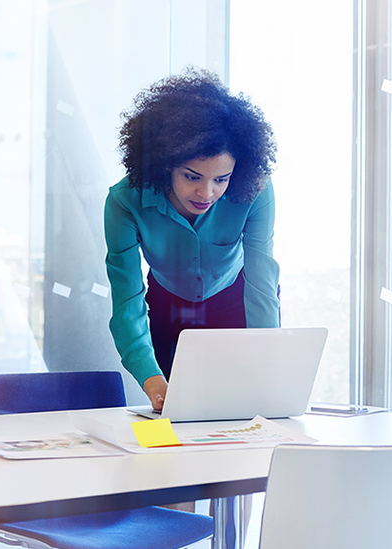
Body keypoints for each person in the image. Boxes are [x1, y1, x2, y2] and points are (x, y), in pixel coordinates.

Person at [104, 68, 280, 411]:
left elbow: (262, 285)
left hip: (237, 300)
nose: (206, 193)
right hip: (169, 306)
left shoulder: (257, 191)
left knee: (248, 408)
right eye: (192, 176)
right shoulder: (124, 201)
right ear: (164, 164)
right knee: (176, 413)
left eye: (222, 179)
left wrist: (267, 362)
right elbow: (127, 302)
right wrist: (150, 376)